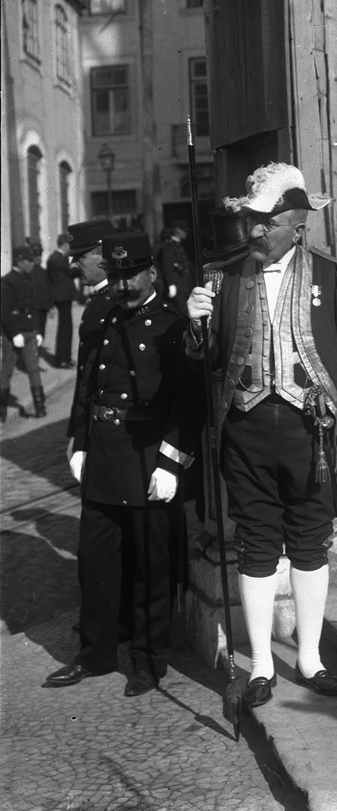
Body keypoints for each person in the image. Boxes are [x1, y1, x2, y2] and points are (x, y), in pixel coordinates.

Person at [186, 163, 337, 708]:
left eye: (264, 223)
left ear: (297, 225)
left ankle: (311, 658)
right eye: (249, 220)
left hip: (310, 434)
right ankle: (262, 668)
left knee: (310, 543)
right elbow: (203, 364)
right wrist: (195, 327)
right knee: (256, 545)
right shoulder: (220, 278)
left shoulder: (333, 278)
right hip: (244, 433)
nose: (252, 232)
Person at [44, 231, 201, 697]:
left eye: (131, 274)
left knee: (150, 567)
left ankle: (148, 663)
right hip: (106, 455)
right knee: (94, 560)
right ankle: (93, 654)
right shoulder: (103, 316)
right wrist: (79, 442)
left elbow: (187, 402)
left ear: (151, 271)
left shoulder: (173, 325)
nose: (123, 284)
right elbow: (87, 384)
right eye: (115, 275)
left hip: (148, 456)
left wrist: (171, 463)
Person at [1, 246, 46, 420]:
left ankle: (40, 406)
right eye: (29, 260)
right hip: (13, 333)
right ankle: (2, 410)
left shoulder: (29, 279)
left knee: (34, 369)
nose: (32, 263)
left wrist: (39, 331)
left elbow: (34, 307)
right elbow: (4, 311)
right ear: (19, 260)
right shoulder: (6, 282)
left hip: (30, 331)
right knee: (7, 370)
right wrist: (13, 333)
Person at [46, 233, 78, 368]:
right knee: (66, 328)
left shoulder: (53, 258)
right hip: (63, 296)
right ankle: (62, 359)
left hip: (60, 296)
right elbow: (72, 273)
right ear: (65, 245)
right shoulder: (60, 259)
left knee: (66, 327)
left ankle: (65, 358)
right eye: (69, 246)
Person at [158, 220, 194, 315]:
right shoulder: (169, 246)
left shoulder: (178, 245)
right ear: (177, 230)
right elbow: (167, 266)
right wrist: (172, 284)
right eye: (184, 230)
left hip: (184, 285)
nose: (186, 233)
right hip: (178, 286)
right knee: (183, 312)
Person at [26, 238, 53, 349]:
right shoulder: (28, 271)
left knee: (41, 330)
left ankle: (37, 350)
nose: (39, 258)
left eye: (40, 255)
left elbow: (47, 289)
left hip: (43, 306)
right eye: (36, 255)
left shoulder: (43, 271)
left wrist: (50, 307)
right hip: (34, 307)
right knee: (35, 330)